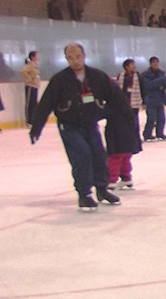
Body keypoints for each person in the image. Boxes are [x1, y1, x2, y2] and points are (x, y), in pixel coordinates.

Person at [28, 43, 128, 210]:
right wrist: (36, 128)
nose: (75, 61)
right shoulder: (59, 80)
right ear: (66, 59)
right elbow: (45, 104)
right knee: (82, 155)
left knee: (98, 155)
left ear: (84, 56)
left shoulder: (97, 77)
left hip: (90, 124)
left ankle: (102, 189)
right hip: (69, 126)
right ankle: (84, 193)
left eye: (78, 57)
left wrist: (127, 119)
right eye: (71, 58)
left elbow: (117, 98)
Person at [104, 69, 142, 191]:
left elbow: (103, 113)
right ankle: (126, 178)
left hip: (117, 135)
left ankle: (112, 180)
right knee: (125, 157)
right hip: (128, 135)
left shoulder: (112, 102)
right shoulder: (125, 100)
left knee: (115, 157)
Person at [140, 56, 166, 142]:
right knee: (151, 118)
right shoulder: (145, 75)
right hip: (150, 99)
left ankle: (160, 133)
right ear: (150, 64)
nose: (155, 64)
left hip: (160, 99)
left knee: (161, 118)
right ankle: (147, 134)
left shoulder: (161, 73)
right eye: (154, 63)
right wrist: (161, 81)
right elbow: (148, 85)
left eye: (157, 62)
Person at [21, 51, 39, 126]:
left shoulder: (35, 65)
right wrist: (29, 78)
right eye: (37, 55)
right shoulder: (30, 65)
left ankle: (33, 120)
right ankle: (29, 121)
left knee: (34, 104)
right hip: (30, 86)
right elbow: (23, 71)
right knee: (30, 104)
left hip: (35, 86)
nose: (38, 57)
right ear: (33, 57)